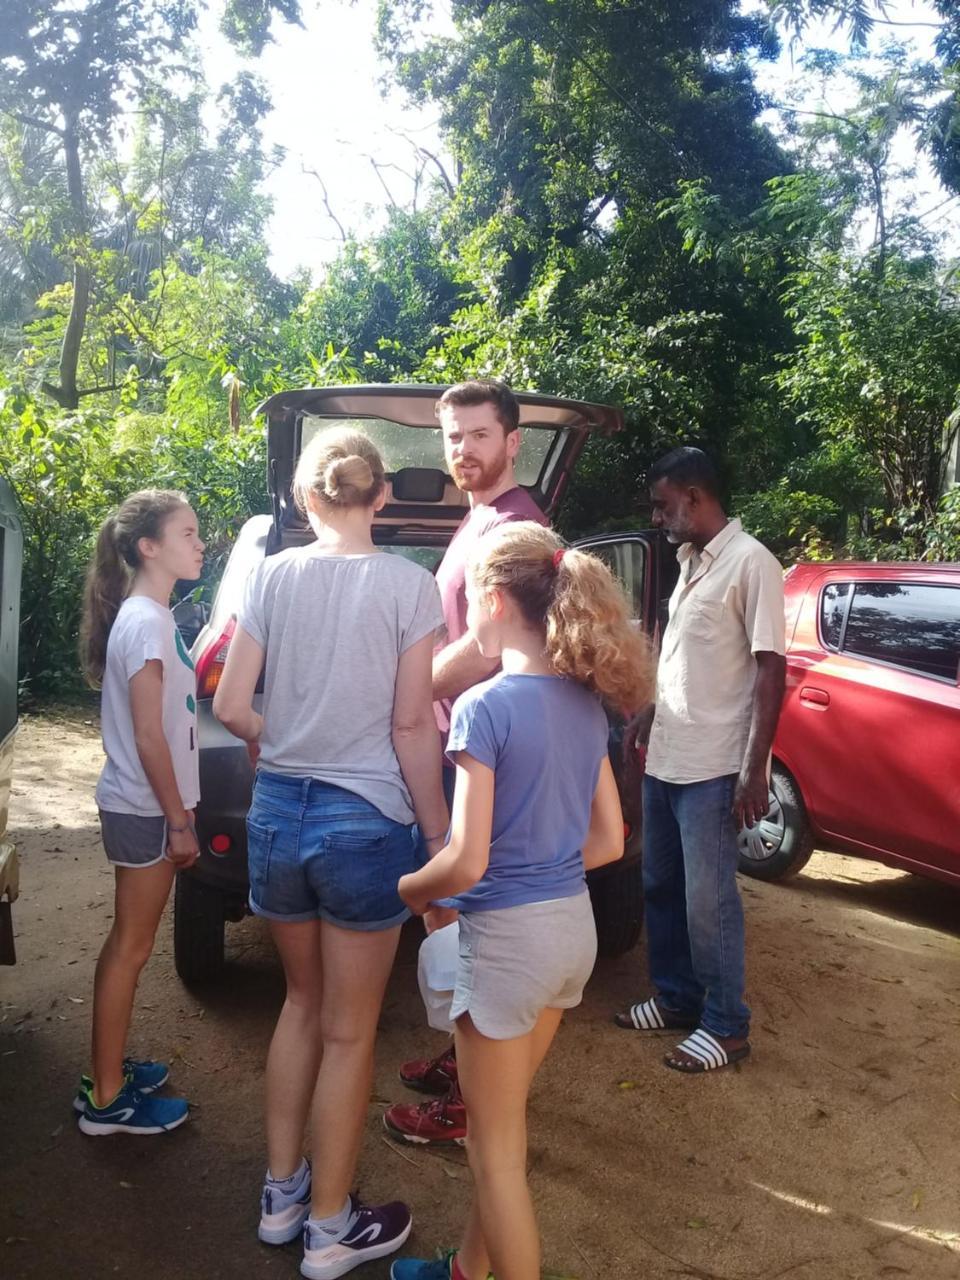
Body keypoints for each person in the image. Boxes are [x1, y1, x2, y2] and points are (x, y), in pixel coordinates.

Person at [212, 427, 448, 1280]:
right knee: (351, 1034)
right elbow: (413, 724)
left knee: (299, 1006)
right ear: (383, 497)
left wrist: (289, 743)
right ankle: (330, 1228)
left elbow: (235, 705)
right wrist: (435, 837)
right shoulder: (410, 587)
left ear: (309, 498)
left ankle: (281, 1198)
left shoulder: (272, 575)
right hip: (365, 822)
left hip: (277, 816)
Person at [389, 521, 653, 1280]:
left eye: (468, 598)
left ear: (496, 601)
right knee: (499, 1132)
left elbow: (465, 860)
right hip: (571, 932)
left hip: (508, 945)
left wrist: (411, 890)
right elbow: (607, 840)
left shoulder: (485, 708)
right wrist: (536, 869)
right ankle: (468, 1268)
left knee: (491, 1149)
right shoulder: (584, 702)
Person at [385, 378, 548, 1148]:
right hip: (465, 741)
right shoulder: (477, 517)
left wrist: (403, 698)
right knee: (463, 912)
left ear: (513, 442)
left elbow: (488, 645)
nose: (463, 450)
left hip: (490, 746)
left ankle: (471, 1100)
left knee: (477, 914)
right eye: (453, 437)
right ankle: (462, 1062)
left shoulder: (518, 526)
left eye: (478, 435)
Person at [615, 446, 786, 1073]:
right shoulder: (689, 561)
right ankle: (678, 997)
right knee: (659, 884)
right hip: (668, 754)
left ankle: (726, 1024)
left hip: (714, 767)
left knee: (708, 900)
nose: (658, 518)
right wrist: (653, 708)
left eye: (663, 505)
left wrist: (755, 764)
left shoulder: (752, 564)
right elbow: (689, 660)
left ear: (694, 495)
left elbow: (772, 670)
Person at [76, 489, 204, 1135]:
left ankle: (108, 1069)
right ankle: (106, 1098)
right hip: (147, 810)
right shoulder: (147, 621)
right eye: (188, 533)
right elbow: (151, 737)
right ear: (148, 547)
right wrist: (179, 820)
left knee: (126, 944)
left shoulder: (148, 614)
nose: (200, 543)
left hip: (141, 805)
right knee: (131, 947)